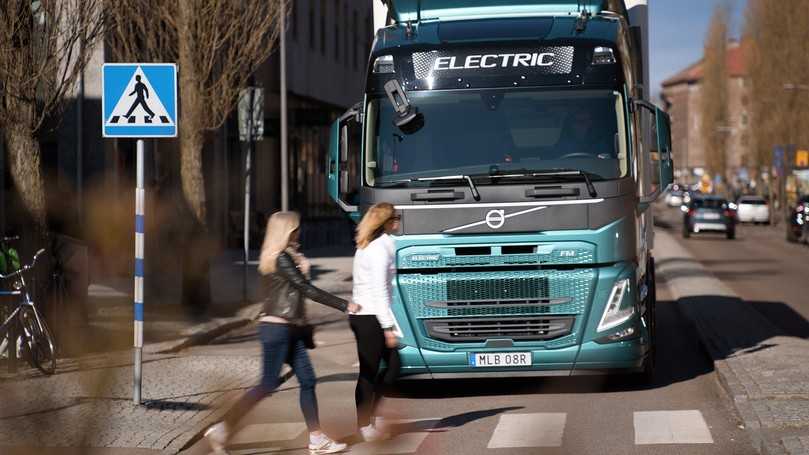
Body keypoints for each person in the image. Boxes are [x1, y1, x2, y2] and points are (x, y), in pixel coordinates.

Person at [205, 212, 359, 455]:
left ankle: (317, 439)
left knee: (307, 380)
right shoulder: (281, 259)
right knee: (267, 384)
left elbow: (293, 290)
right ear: (287, 232)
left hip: (289, 329)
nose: (300, 233)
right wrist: (344, 304)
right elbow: (305, 289)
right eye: (296, 230)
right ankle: (222, 428)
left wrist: (303, 268)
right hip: (278, 330)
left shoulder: (280, 258)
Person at [349, 202, 402, 442]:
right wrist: (388, 327)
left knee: (390, 367)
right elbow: (380, 290)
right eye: (396, 217)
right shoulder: (378, 248)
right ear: (387, 222)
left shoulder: (372, 245)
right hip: (369, 317)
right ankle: (364, 425)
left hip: (368, 315)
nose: (399, 221)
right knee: (372, 372)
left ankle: (372, 418)